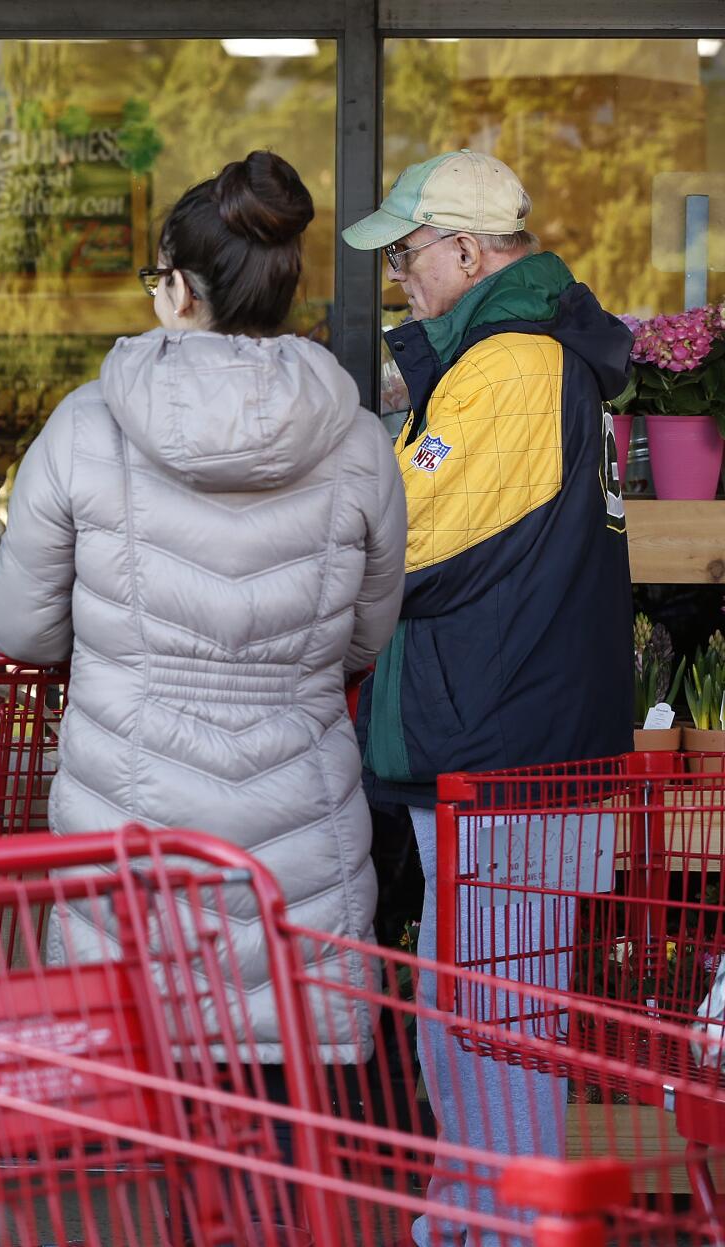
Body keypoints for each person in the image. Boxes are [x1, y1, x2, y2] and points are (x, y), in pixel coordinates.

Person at [0, 149, 407, 1158]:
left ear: (175, 289)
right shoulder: (356, 441)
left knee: (145, 1153)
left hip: (129, 827)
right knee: (277, 1151)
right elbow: (365, 633)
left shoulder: (85, 427)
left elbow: (17, 628)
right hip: (296, 838)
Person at [340, 149, 632, 1245]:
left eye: (407, 258)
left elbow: (404, 542)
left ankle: (506, 1228)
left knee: (494, 1024)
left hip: (507, 747)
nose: (400, 281)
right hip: (511, 735)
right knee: (465, 1017)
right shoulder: (520, 357)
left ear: (466, 251)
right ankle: (466, 1219)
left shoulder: (509, 366)